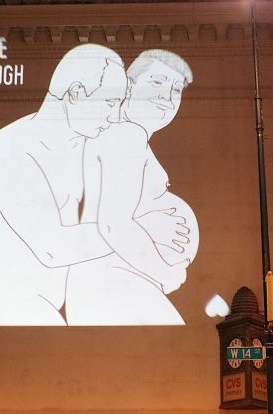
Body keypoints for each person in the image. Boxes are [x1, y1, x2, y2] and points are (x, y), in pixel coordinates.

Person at [0, 43, 187, 327]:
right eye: (109, 102)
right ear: (76, 93)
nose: (113, 115)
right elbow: (53, 247)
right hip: (6, 313)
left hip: (50, 313)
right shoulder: (7, 151)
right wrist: (143, 228)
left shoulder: (83, 144)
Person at [66, 48, 199, 326]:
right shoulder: (127, 134)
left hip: (110, 282)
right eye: (157, 82)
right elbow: (113, 224)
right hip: (114, 282)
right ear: (129, 85)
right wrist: (166, 272)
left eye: (176, 90)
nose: (166, 98)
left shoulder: (121, 134)